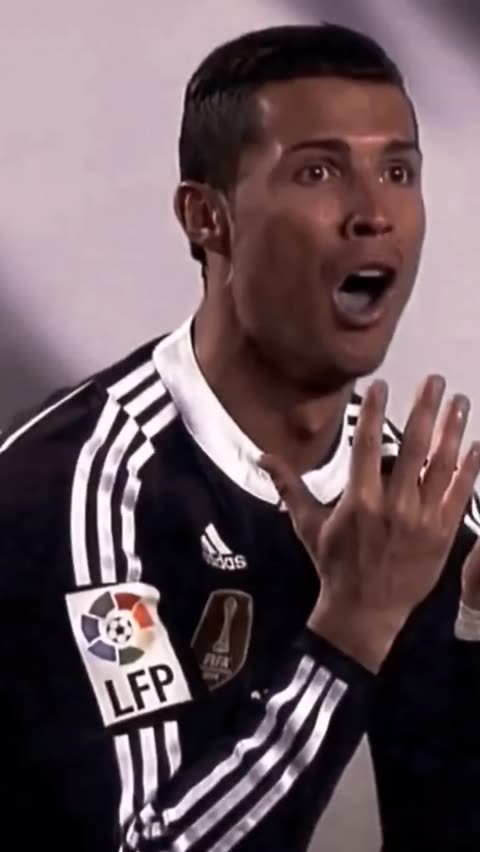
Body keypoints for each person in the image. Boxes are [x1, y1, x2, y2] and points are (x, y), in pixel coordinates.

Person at [1, 22, 480, 852]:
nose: (374, 214)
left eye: (398, 171)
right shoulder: (82, 491)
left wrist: (470, 642)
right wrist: (352, 628)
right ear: (207, 218)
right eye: (318, 171)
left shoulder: (419, 508)